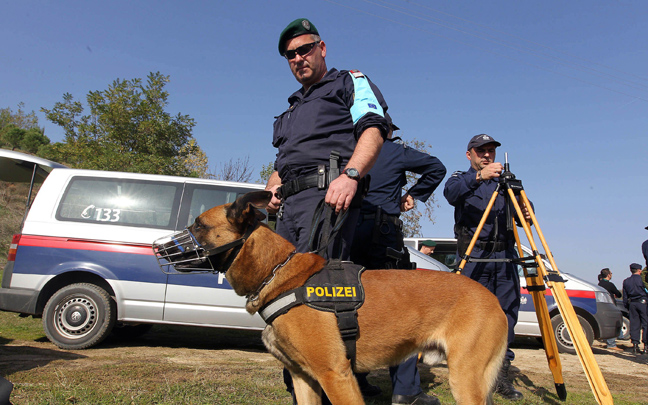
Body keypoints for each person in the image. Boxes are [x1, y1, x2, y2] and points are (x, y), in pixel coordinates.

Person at [265, 18, 390, 402]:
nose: (299, 58)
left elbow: (374, 127)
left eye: (305, 49)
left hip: (329, 198)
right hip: (289, 207)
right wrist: (272, 186)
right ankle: (301, 387)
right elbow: (282, 159)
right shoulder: (291, 107)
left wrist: (351, 175)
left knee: (318, 296)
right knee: (281, 293)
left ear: (322, 48)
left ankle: (336, 383)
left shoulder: (349, 82)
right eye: (291, 55)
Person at [350, 128, 446, 405]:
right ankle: (406, 391)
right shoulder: (392, 149)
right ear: (387, 130)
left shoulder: (348, 149)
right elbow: (436, 167)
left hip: (347, 231)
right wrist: (414, 195)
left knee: (352, 307)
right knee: (400, 309)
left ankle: (355, 380)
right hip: (382, 233)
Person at [443, 133, 531, 401]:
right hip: (474, 258)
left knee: (506, 317)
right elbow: (451, 194)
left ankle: (500, 376)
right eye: (481, 151)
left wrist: (527, 211)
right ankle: (471, 374)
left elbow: (523, 212)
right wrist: (481, 177)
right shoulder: (461, 179)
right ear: (469, 154)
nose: (487, 155)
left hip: (504, 259)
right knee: (470, 319)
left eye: (491, 151)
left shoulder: (508, 183)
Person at [622, 263, 648, 355]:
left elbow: (625, 297)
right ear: (640, 270)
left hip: (632, 303)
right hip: (643, 303)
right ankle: (646, 346)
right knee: (646, 324)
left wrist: (627, 306)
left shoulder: (626, 281)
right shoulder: (643, 280)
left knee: (634, 325)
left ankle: (635, 345)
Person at [597, 268, 623, 351]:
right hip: (610, 305)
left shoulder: (599, 284)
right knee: (613, 323)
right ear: (608, 275)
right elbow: (618, 294)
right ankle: (611, 344)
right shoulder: (610, 285)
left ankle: (607, 340)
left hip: (601, 305)